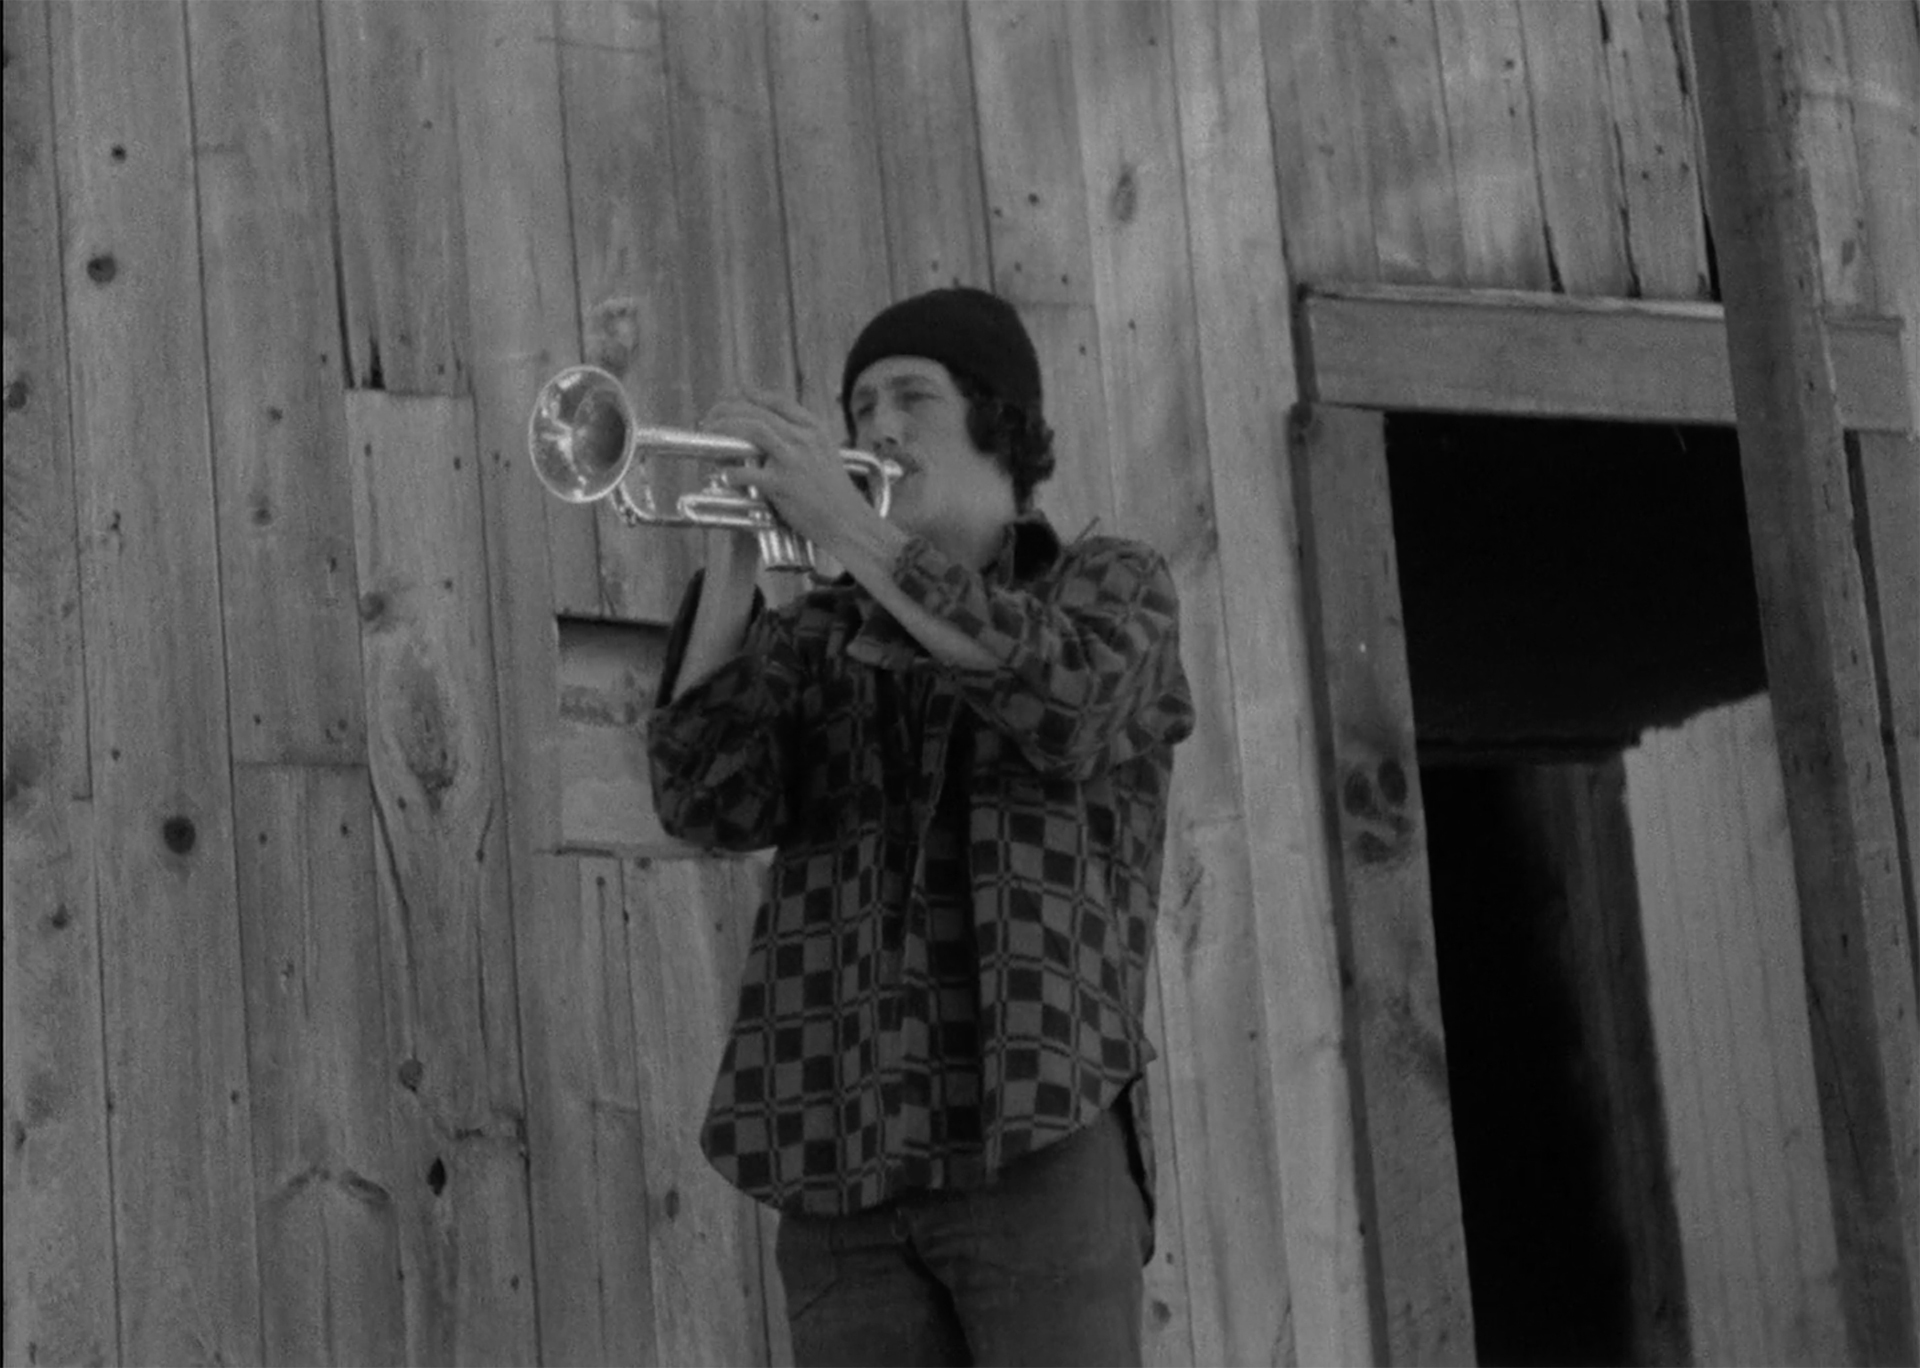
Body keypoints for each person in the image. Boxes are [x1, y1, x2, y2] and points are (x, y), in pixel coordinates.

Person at [646, 287, 1194, 1366]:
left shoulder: (1111, 584)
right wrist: (733, 559)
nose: (880, 428)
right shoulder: (822, 634)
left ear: (999, 420)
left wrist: (848, 530)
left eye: (912, 397)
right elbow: (703, 797)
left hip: (1036, 1132)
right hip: (839, 1163)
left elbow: (1066, 700)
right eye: (861, 407)